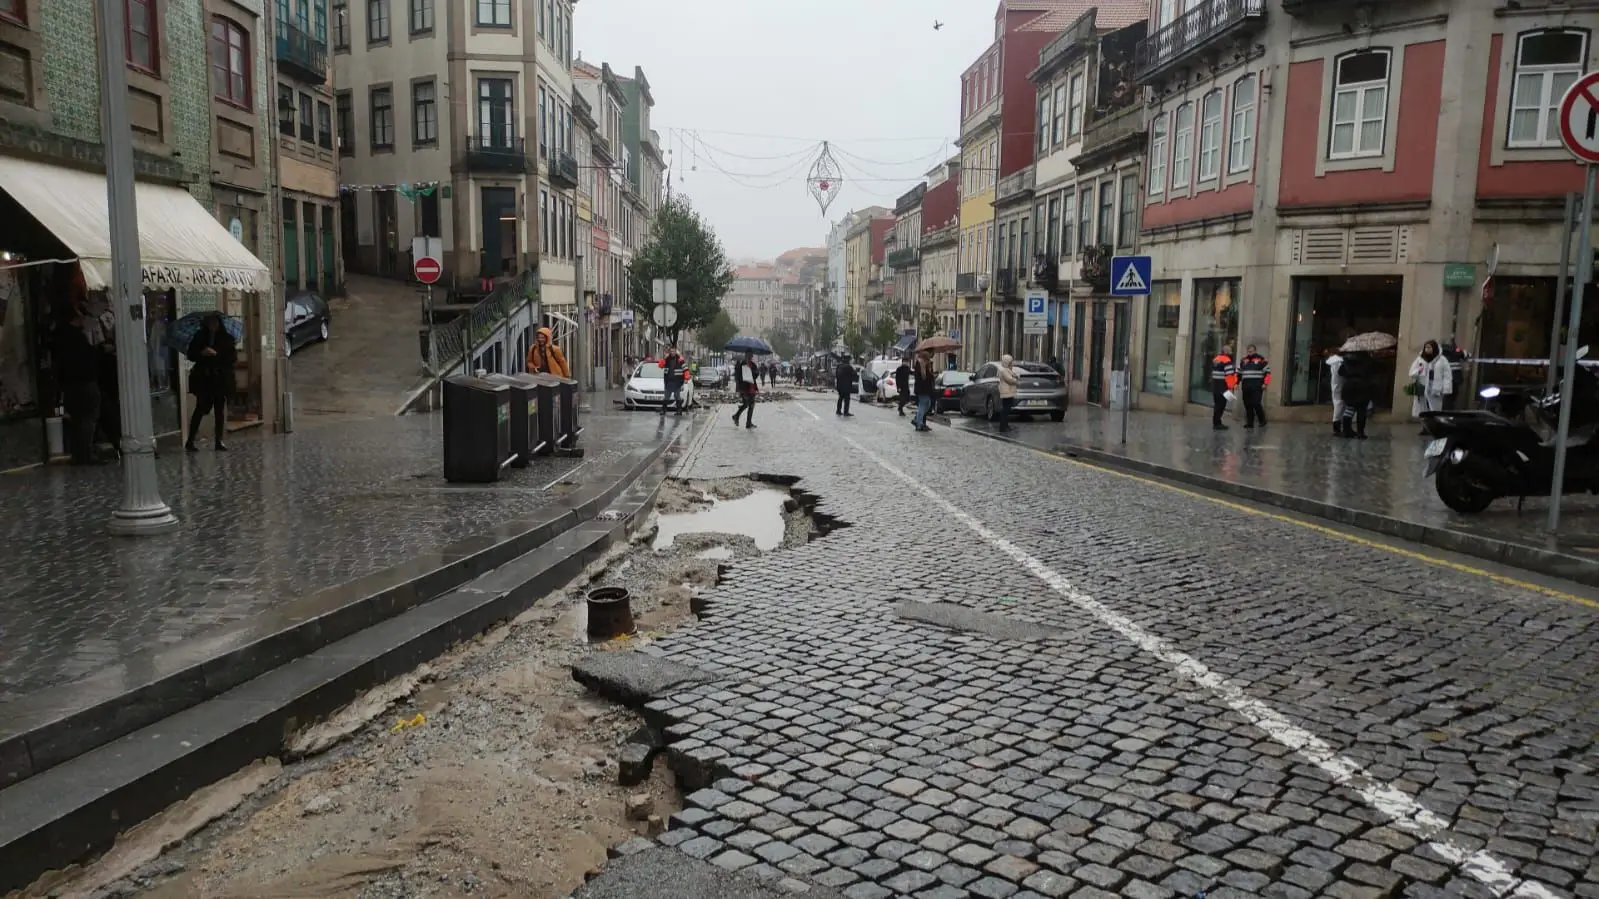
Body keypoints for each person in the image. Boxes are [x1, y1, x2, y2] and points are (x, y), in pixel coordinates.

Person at [52, 305, 104, 465]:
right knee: (88, 418)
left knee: (76, 419)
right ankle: (85, 454)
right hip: (84, 382)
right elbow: (87, 358)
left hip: (68, 384)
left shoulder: (58, 337)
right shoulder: (78, 338)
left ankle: (78, 453)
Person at [186, 312, 236, 452]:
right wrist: (202, 353)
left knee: (219, 411)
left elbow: (232, 358)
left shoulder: (226, 339)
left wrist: (217, 354)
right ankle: (190, 440)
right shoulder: (200, 337)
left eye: (215, 323)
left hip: (220, 380)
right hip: (204, 380)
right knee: (200, 409)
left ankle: (218, 440)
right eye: (210, 323)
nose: (213, 326)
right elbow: (191, 354)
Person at [1409, 339, 1453, 430]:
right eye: (1426, 347)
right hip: (1422, 387)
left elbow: (1447, 375)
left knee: (1434, 409)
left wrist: (1446, 388)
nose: (1427, 350)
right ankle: (1425, 428)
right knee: (1423, 409)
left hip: (1435, 388)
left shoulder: (1442, 360)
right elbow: (1412, 372)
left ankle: (1435, 427)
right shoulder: (1420, 359)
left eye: (1429, 347)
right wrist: (1420, 371)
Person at [1339, 350, 1375, 439]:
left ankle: (1346, 430)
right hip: (1363, 386)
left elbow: (1340, 372)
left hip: (1349, 386)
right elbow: (1374, 371)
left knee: (1349, 408)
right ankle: (1360, 432)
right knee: (1361, 410)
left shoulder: (1347, 360)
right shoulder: (1367, 360)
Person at [1238, 344, 1271, 429]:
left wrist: (1265, 383)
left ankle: (1262, 420)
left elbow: (1267, 373)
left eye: (1251, 351)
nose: (1250, 352)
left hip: (1257, 386)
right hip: (1246, 387)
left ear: (1255, 351)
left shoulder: (1261, 360)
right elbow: (1238, 373)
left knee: (1256, 403)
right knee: (1248, 405)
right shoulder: (1243, 361)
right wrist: (1235, 383)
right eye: (1248, 351)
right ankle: (1250, 423)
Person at [1211, 343, 1237, 431]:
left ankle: (1216, 422)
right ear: (1227, 351)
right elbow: (1229, 375)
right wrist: (1231, 387)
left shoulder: (1216, 359)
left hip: (1215, 385)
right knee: (1221, 404)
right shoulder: (1227, 360)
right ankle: (1217, 423)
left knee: (1217, 404)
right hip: (1223, 386)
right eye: (1230, 350)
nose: (1231, 352)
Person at [731, 350, 759, 429]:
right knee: (746, 403)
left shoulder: (753, 364)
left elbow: (756, 375)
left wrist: (755, 373)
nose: (751, 356)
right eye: (749, 355)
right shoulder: (742, 364)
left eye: (751, 355)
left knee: (751, 405)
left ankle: (748, 422)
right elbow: (739, 376)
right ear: (746, 355)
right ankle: (736, 416)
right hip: (744, 388)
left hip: (752, 387)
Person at [912, 350, 936, 432]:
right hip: (922, 389)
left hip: (925, 389)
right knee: (923, 406)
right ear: (926, 359)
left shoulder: (926, 366)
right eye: (928, 358)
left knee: (927, 405)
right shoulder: (921, 365)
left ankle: (917, 419)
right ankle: (919, 423)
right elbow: (924, 377)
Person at [660, 346, 687, 417]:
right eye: (671, 351)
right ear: (669, 352)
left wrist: (685, 379)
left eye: (674, 351)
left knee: (677, 396)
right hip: (668, 381)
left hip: (677, 382)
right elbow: (660, 366)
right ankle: (663, 410)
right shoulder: (667, 359)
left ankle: (679, 411)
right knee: (666, 397)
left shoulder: (680, 360)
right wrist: (664, 358)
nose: (672, 353)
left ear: (676, 352)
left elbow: (685, 369)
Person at [995, 354, 1019, 432]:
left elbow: (1012, 375)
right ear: (1007, 362)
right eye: (1010, 362)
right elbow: (1009, 380)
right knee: (1005, 409)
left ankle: (1005, 425)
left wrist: (1015, 376)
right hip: (1006, 392)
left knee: (1007, 409)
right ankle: (1003, 427)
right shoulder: (1004, 370)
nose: (1012, 363)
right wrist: (1016, 381)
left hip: (1008, 392)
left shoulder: (1007, 370)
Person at [1326, 350, 1346, 436]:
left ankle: (1337, 426)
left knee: (1338, 403)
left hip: (1335, 384)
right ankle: (1336, 427)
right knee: (1339, 404)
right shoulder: (1339, 363)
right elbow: (1341, 373)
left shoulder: (1334, 362)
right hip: (1339, 384)